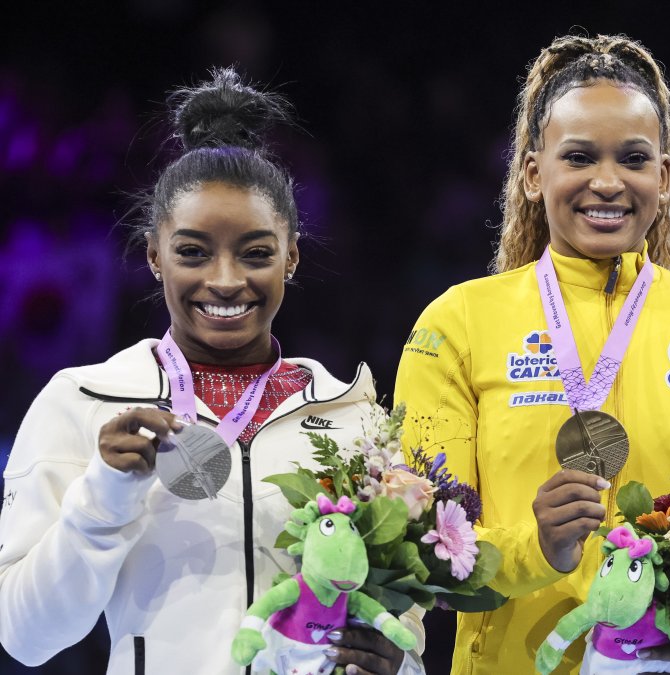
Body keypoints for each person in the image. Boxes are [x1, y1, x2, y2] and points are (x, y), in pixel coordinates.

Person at [0, 69, 424, 675]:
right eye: (193, 252)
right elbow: (24, 635)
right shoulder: (84, 402)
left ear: (292, 256)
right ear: (154, 255)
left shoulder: (354, 415)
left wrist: (398, 667)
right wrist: (104, 496)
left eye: (256, 253)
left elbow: (401, 629)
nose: (225, 280)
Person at [394, 34, 670, 675]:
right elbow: (425, 548)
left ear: (662, 177)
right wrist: (537, 548)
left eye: (633, 159)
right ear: (532, 173)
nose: (607, 182)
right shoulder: (457, 324)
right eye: (578, 157)